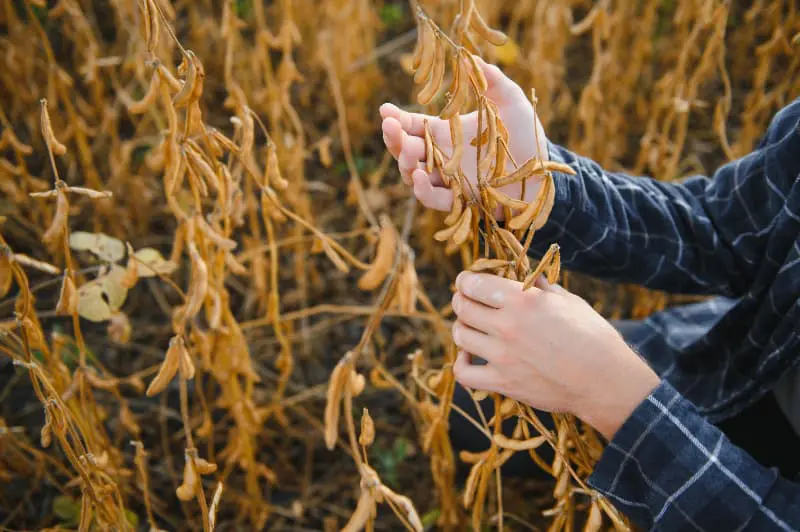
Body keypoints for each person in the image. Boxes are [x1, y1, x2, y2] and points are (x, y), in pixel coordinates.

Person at [378, 56, 800, 530]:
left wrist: (616, 398)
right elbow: (722, 230)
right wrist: (537, 186)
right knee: (473, 405)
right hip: (753, 361)